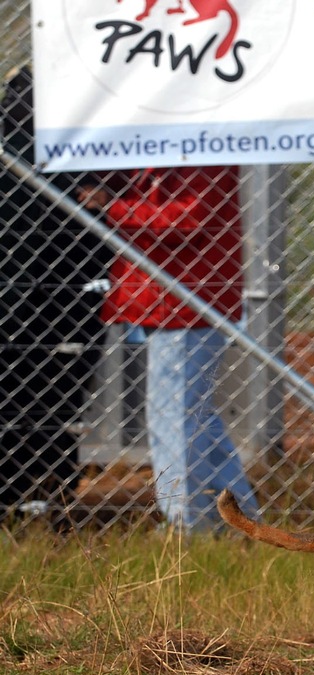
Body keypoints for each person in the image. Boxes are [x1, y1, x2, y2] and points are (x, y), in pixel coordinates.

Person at [88, 163, 259, 533]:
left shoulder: (199, 151)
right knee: (195, 416)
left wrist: (112, 206)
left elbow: (186, 218)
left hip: (184, 302)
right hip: (172, 298)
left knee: (174, 418)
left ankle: (187, 524)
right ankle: (240, 520)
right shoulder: (165, 152)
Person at [0, 65, 107, 517]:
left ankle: (41, 493)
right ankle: (37, 492)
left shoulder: (84, 146)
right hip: (53, 294)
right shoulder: (50, 146)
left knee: (46, 396)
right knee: (44, 396)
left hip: (64, 294)